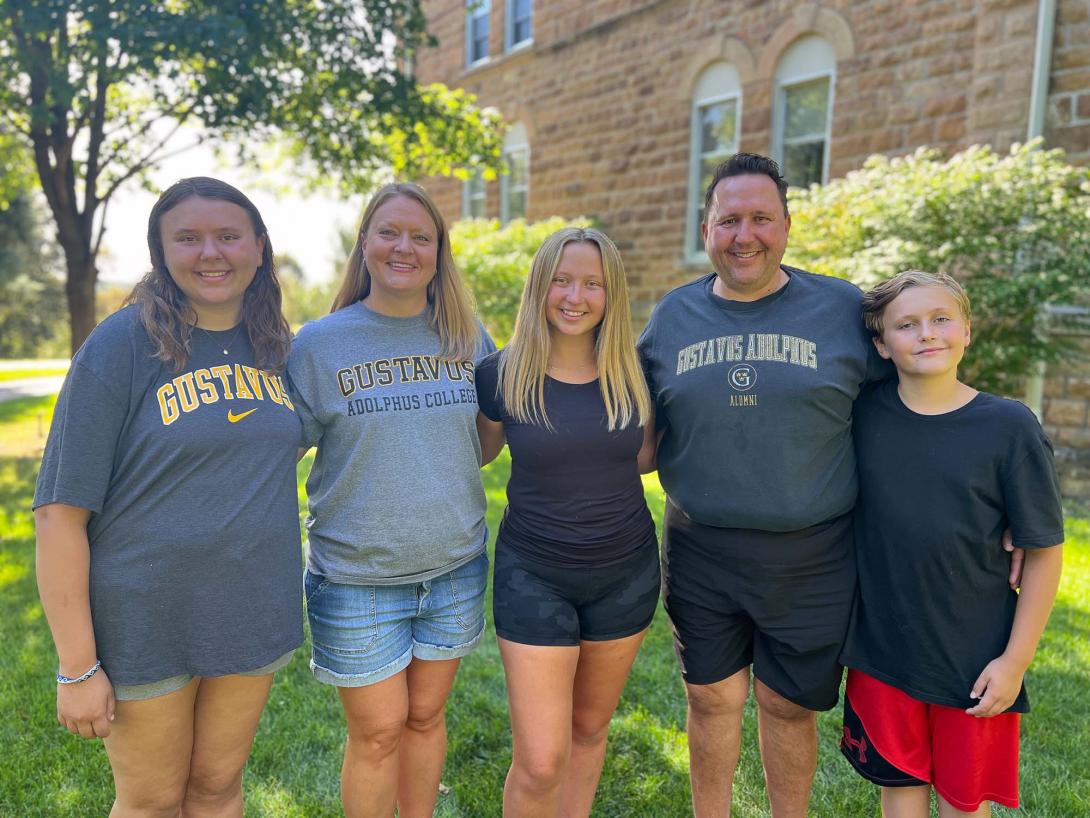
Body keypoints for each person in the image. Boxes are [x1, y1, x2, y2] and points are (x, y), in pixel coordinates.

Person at [34, 177, 304, 815]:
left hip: (250, 610)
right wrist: (77, 666)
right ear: (161, 252)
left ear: (259, 248)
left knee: (216, 789)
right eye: (188, 238)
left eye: (228, 236)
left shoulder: (278, 349)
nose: (211, 253)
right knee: (152, 801)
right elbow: (58, 515)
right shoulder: (121, 345)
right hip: (145, 617)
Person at [636, 153, 891, 817]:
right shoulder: (671, 318)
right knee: (710, 698)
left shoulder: (841, 309)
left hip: (812, 550)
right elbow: (631, 425)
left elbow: (917, 400)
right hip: (700, 547)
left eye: (760, 218)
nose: (744, 235)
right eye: (729, 220)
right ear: (705, 229)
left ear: (787, 225)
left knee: (786, 705)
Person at [286, 182, 495, 818]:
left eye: (421, 236)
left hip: (454, 569)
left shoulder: (466, 337)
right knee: (378, 732)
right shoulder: (319, 345)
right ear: (365, 245)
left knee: (426, 719)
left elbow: (483, 445)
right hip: (357, 576)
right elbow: (275, 454)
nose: (404, 247)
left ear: (439, 252)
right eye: (389, 232)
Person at [839, 271, 1064, 817]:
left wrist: (1014, 661)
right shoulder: (859, 415)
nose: (926, 334)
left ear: (967, 330)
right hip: (882, 651)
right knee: (899, 788)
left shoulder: (1008, 426)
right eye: (906, 325)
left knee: (964, 803)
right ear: (881, 345)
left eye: (941, 319)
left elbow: (1043, 550)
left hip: (976, 654)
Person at [475, 227, 659, 817]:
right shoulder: (500, 375)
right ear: (540, 286)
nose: (575, 295)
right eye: (562, 279)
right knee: (540, 760)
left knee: (588, 731)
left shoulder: (636, 375)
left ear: (612, 294)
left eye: (592, 283)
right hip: (535, 574)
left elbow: (644, 458)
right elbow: (476, 453)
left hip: (625, 575)